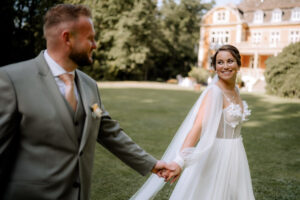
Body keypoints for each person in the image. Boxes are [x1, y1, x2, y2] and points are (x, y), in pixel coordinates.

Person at [0, 4, 169, 200]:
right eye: (90, 38)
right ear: (67, 38)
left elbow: (109, 132)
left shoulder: (89, 85)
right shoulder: (12, 80)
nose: (95, 45)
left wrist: (152, 164)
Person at [131, 44, 255, 200]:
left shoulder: (236, 90)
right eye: (220, 62)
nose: (225, 66)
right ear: (215, 67)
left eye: (230, 61)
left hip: (236, 153)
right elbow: (197, 127)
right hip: (217, 156)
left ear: (238, 64)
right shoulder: (214, 92)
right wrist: (180, 161)